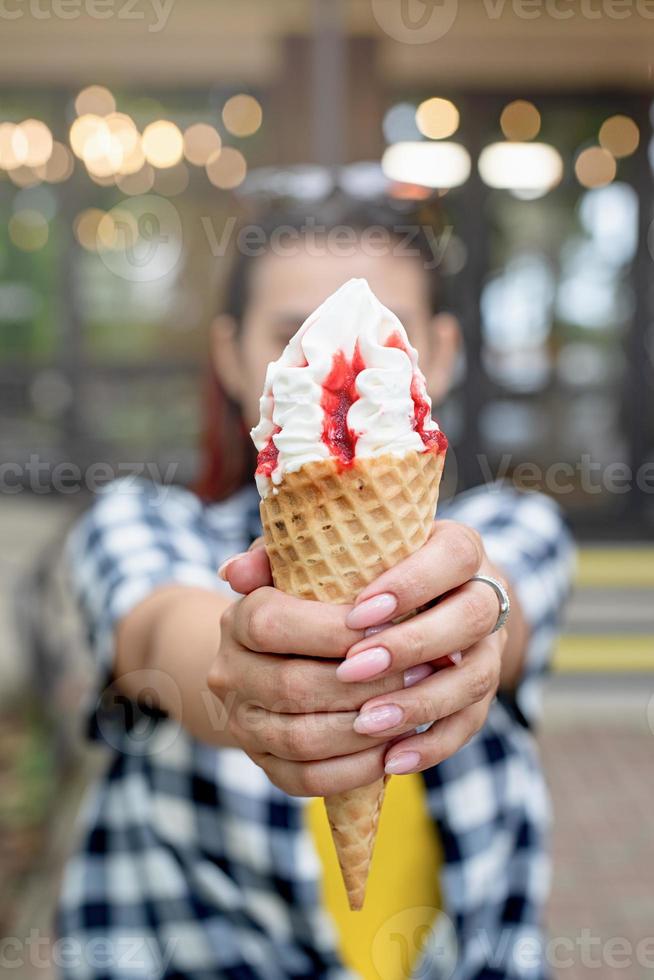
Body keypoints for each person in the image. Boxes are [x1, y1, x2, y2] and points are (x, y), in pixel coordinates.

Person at [58, 192, 574, 980]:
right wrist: (239, 670)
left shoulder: (516, 524)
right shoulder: (139, 521)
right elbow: (160, 629)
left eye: (392, 333)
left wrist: (477, 609)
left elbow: (507, 582)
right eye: (287, 332)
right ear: (231, 357)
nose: (355, 356)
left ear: (439, 352)